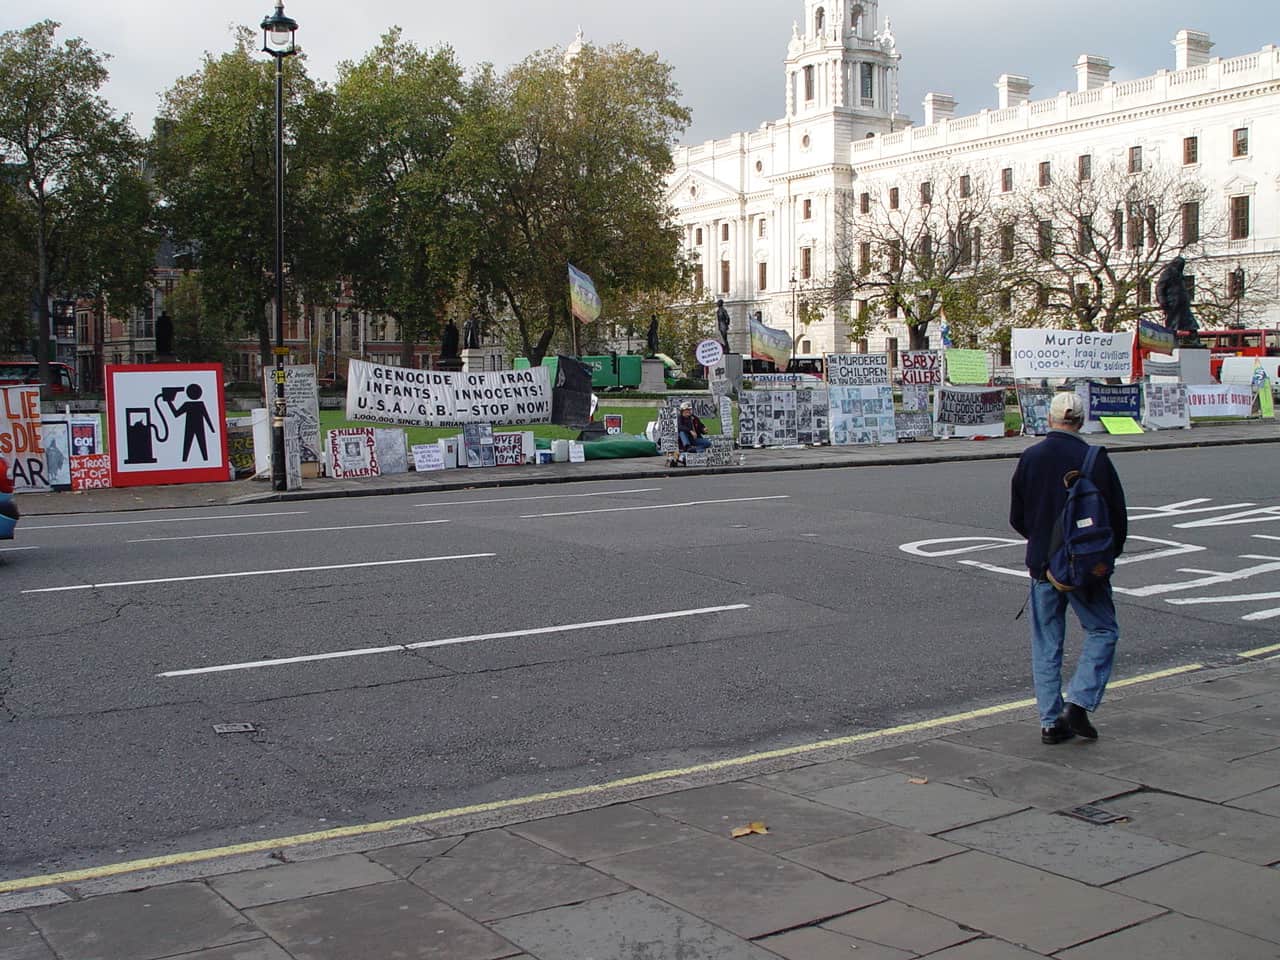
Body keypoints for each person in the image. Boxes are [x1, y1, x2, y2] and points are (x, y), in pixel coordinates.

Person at [1009, 391, 1127, 745]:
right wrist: (1104, 559)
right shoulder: (1093, 458)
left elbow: (1018, 517)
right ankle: (1078, 702)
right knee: (1103, 630)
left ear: (1050, 418)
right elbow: (1116, 519)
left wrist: (1043, 544)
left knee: (1047, 642)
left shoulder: (1031, 457)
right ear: (1081, 420)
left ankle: (1050, 722)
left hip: (1044, 565)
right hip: (1085, 566)